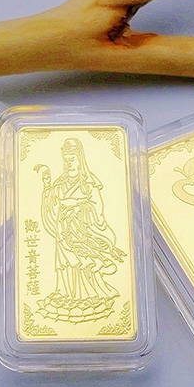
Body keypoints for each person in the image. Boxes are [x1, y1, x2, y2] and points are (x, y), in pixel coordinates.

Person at [35, 138, 126, 323]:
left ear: (80, 159)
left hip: (81, 231)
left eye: (72, 159)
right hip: (63, 230)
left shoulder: (88, 183)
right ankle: (66, 292)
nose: (69, 163)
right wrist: (46, 187)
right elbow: (51, 203)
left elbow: (97, 207)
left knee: (83, 261)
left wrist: (77, 206)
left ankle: (87, 295)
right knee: (65, 263)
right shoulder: (60, 183)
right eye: (66, 159)